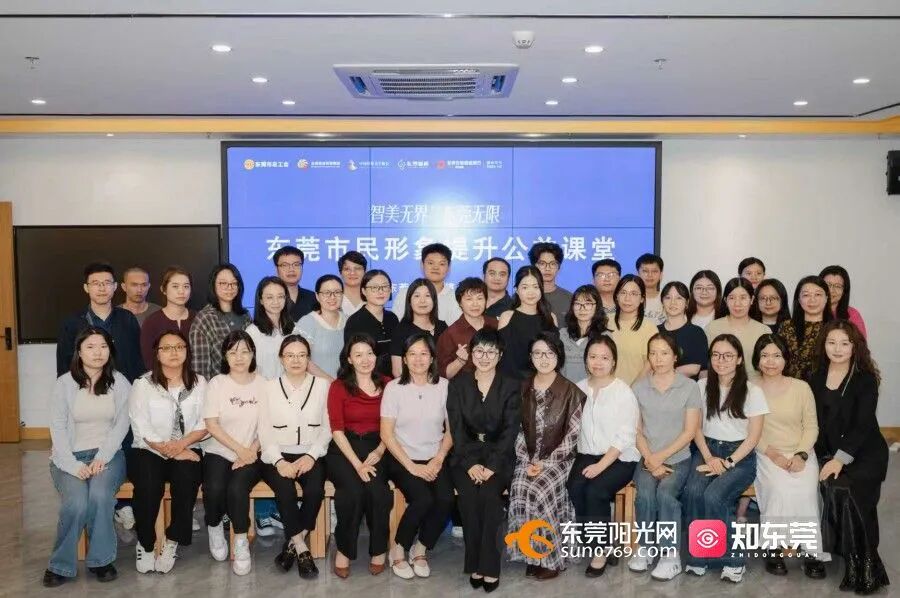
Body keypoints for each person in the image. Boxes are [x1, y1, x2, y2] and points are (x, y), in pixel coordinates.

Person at [43, 327, 131, 588]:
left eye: (103, 346)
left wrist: (102, 456)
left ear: (110, 350)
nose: (98, 352)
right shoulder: (64, 384)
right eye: (90, 347)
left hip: (108, 455)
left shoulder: (119, 382)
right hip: (68, 457)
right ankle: (60, 565)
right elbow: (57, 428)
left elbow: (122, 425)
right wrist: (72, 465)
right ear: (79, 352)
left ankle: (101, 561)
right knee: (77, 502)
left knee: (100, 496)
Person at [810, 320, 889, 594]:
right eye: (832, 342)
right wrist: (821, 457)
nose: (838, 348)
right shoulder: (815, 376)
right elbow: (814, 422)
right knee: (837, 492)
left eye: (845, 343)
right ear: (824, 345)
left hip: (865, 454)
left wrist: (839, 459)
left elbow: (862, 425)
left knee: (854, 497)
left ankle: (866, 565)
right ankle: (853, 560)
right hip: (830, 454)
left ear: (855, 347)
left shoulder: (865, 378)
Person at [683, 333, 768, 583]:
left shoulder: (752, 391)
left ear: (739, 359)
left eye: (728, 355)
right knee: (693, 492)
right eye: (716, 355)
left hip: (740, 456)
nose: (721, 360)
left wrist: (728, 462)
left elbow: (753, 437)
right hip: (707, 450)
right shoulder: (701, 386)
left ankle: (733, 560)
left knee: (714, 496)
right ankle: (700, 556)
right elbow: (695, 428)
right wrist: (709, 458)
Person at [446, 329, 519, 592]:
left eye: (491, 351)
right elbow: (456, 429)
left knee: (489, 497)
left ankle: (489, 566)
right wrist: (470, 464)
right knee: (468, 498)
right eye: (479, 350)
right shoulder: (458, 384)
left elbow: (510, 431)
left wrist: (492, 466)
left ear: (500, 355)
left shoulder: (511, 385)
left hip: (499, 455)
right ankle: (475, 563)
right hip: (464, 455)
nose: (484, 356)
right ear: (471, 354)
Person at [507, 333, 585, 581]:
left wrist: (545, 463)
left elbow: (573, 436)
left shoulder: (571, 391)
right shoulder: (522, 388)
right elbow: (517, 430)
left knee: (541, 489)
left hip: (560, 460)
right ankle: (532, 553)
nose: (544, 358)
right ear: (530, 357)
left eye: (549, 353)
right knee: (520, 486)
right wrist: (527, 459)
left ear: (558, 356)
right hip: (528, 458)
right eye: (538, 353)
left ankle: (551, 558)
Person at [128, 330, 206, 574]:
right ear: (157, 354)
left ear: (187, 351)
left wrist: (181, 446)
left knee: (187, 479)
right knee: (148, 484)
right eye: (167, 348)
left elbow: (205, 422)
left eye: (179, 347)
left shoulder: (200, 383)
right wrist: (169, 449)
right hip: (149, 449)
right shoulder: (143, 384)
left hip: (188, 447)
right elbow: (141, 425)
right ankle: (146, 543)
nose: (174, 352)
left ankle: (172, 541)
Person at [751, 334, 825, 579]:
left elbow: (811, 426)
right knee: (779, 489)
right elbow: (747, 429)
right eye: (764, 355)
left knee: (806, 491)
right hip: (765, 452)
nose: (770, 361)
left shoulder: (801, 387)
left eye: (776, 355)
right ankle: (773, 548)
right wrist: (773, 454)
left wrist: (801, 455)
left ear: (786, 359)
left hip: (801, 451)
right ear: (757, 359)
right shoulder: (749, 387)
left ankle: (811, 551)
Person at [381, 332, 454, 580]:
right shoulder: (394, 388)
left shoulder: (444, 386)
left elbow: (451, 430)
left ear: (432, 357)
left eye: (424, 353)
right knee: (422, 499)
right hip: (401, 458)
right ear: (404, 358)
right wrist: (411, 466)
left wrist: (439, 458)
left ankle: (420, 548)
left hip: (435, 456)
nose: (418, 359)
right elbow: (386, 434)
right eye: (412, 354)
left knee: (445, 499)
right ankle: (398, 548)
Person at [630, 333, 702, 581]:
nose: (658, 358)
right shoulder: (639, 388)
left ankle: (670, 555)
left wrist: (660, 457)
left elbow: (690, 431)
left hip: (678, 457)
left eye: (664, 353)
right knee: (645, 494)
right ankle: (645, 547)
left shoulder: (689, 387)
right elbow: (636, 430)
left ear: (675, 356)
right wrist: (650, 458)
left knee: (666, 494)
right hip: (647, 456)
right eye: (653, 353)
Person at [258, 335, 331, 580]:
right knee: (285, 491)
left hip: (312, 452)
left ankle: (291, 544)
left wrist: (311, 455)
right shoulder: (268, 387)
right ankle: (301, 547)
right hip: (276, 454)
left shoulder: (322, 386)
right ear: (281, 359)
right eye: (290, 355)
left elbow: (328, 428)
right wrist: (279, 461)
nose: (296, 360)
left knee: (315, 490)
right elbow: (264, 430)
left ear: (309, 358)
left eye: (301, 355)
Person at [567, 335, 639, 578]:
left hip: (620, 457)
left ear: (614, 361)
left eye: (605, 358)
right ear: (586, 359)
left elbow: (626, 436)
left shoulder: (623, 392)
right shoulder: (578, 388)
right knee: (575, 486)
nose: (598, 362)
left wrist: (601, 466)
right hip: (587, 454)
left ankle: (600, 550)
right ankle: (603, 542)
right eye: (593, 357)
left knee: (595, 490)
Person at [201, 330, 267, 576]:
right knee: (214, 488)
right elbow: (211, 424)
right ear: (225, 356)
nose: (239, 358)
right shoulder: (217, 383)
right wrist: (239, 450)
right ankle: (214, 525)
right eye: (232, 352)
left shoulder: (263, 384)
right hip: (220, 449)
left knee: (237, 488)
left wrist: (251, 450)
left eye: (245, 352)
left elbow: (268, 425)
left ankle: (240, 540)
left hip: (253, 451)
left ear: (253, 354)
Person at [327, 334, 392, 578]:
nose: (365, 359)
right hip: (344, 449)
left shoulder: (388, 384)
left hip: (379, 445)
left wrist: (380, 450)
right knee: (352, 492)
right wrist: (357, 465)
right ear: (349, 359)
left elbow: (393, 426)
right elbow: (336, 430)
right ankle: (344, 550)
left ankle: (379, 550)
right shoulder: (338, 386)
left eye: (370, 353)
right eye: (358, 355)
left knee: (379, 493)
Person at [57, 262, 143, 383]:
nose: (102, 288)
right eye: (95, 283)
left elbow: (138, 360)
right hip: (85, 389)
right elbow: (64, 366)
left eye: (107, 283)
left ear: (115, 286)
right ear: (86, 288)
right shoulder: (72, 323)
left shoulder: (127, 319)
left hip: (124, 388)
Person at [189, 264, 251, 381]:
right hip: (218, 387)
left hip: (247, 385)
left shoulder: (245, 316)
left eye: (234, 283)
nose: (229, 287)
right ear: (213, 285)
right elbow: (200, 368)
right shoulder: (204, 319)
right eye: (223, 283)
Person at [498, 266, 559, 380]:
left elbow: (555, 356)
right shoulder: (507, 317)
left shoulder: (551, 318)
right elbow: (502, 356)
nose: (531, 292)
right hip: (511, 383)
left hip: (543, 382)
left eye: (535, 287)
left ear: (541, 289)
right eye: (525, 287)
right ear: (517, 290)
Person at [704, 277, 770, 382]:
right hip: (720, 385)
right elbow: (705, 365)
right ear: (725, 300)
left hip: (754, 386)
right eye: (732, 298)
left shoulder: (764, 331)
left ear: (752, 300)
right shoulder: (712, 328)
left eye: (743, 298)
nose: (737, 303)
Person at [437, 277, 498, 379]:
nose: (475, 304)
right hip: (463, 387)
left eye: (479, 298)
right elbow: (444, 375)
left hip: (496, 384)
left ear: (486, 301)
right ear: (460, 303)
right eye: (469, 299)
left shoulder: (496, 325)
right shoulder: (450, 333)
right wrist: (460, 361)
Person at [344, 269, 399, 378]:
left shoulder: (392, 318)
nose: (380, 291)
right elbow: (351, 358)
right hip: (367, 381)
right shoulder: (355, 321)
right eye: (374, 287)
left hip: (393, 381)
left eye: (385, 287)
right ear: (364, 291)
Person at [777, 276, 833, 382]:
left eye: (818, 294)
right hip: (789, 386)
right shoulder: (786, 326)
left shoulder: (835, 328)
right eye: (806, 295)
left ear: (826, 298)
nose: (812, 300)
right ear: (799, 299)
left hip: (824, 386)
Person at [140, 266, 196, 370]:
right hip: (161, 378)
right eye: (175, 286)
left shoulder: (199, 318)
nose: (181, 291)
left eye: (186, 286)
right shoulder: (152, 322)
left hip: (195, 378)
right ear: (163, 289)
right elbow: (149, 360)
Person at [393, 243, 462, 325]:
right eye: (430, 263)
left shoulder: (456, 297)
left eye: (441, 264)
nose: (435, 267)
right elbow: (396, 326)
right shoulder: (405, 294)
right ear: (422, 265)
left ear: (449, 267)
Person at [391, 278, 448, 377]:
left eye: (427, 295)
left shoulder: (442, 327)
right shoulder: (401, 330)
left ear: (434, 300)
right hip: (411, 385)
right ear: (409, 301)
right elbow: (397, 371)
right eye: (417, 296)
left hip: (441, 383)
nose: (422, 301)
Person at [607, 274, 657, 385]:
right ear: (616, 296)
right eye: (623, 292)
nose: (627, 298)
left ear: (642, 298)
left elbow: (650, 364)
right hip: (605, 389)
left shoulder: (650, 328)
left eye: (634, 294)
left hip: (636, 390)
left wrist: (632, 389)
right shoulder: (605, 322)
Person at [296, 274, 347, 379]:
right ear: (317, 296)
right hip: (317, 385)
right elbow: (302, 359)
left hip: (346, 384)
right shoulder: (307, 322)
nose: (332, 297)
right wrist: (331, 382)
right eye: (326, 293)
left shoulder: (349, 320)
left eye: (337, 292)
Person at [246, 276, 295, 380]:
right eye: (269, 297)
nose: (276, 302)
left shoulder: (295, 328)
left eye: (280, 296)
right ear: (261, 300)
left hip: (291, 387)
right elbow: (248, 368)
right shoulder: (252, 332)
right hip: (263, 387)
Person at [659, 281, 708, 379]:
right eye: (668, 298)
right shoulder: (654, 331)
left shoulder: (696, 332)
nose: (673, 302)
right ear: (662, 302)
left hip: (687, 387)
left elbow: (694, 369)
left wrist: (662, 374)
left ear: (687, 303)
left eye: (679, 298)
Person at [559, 285, 608, 382]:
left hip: (592, 389)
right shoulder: (562, 334)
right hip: (566, 389)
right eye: (577, 304)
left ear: (597, 306)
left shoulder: (604, 336)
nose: (582, 308)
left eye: (588, 304)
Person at [529, 242, 572, 325]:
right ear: (534, 266)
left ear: (558, 267)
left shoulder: (570, 299)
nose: (547, 268)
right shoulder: (522, 297)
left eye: (553, 264)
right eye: (542, 263)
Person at [820, 265, 867, 339]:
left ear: (844, 291)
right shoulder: (808, 312)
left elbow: (860, 344)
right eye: (828, 285)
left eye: (838, 286)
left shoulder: (853, 314)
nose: (831, 290)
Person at [273, 246, 317, 321]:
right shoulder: (270, 298)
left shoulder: (313, 298)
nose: (291, 269)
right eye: (285, 265)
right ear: (277, 269)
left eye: (296, 264)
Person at [636, 253, 665, 325]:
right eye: (645, 271)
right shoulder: (629, 299)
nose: (650, 275)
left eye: (654, 271)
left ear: (661, 275)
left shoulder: (667, 299)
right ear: (638, 274)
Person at [339, 250, 368, 316]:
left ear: (365, 272)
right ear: (340, 273)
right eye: (347, 269)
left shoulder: (372, 298)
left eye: (357, 268)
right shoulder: (333, 299)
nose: (352, 273)